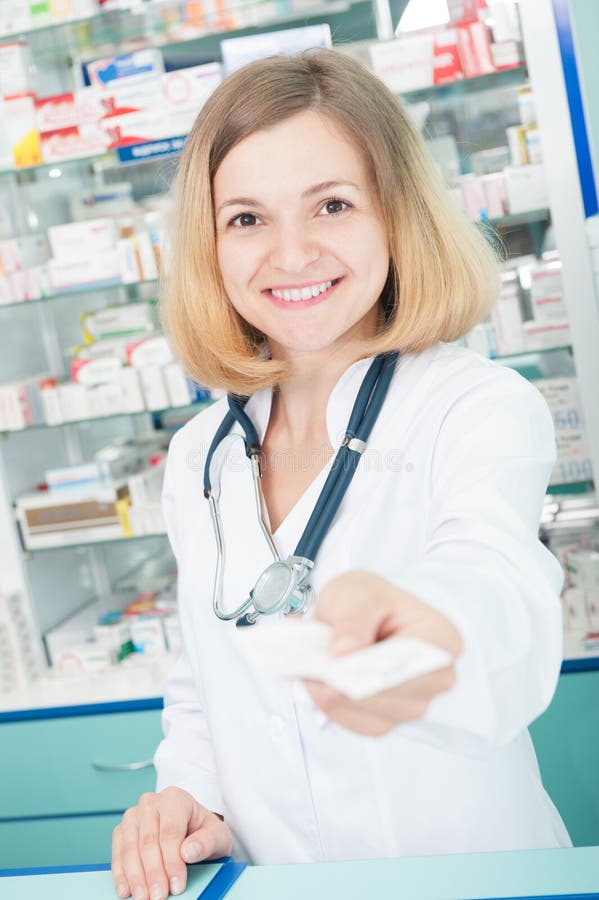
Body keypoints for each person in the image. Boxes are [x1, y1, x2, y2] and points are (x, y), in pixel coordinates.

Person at [111, 47, 571, 900]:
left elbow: (494, 579)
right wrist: (188, 793)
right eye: (246, 218)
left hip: (476, 882)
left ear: (395, 215)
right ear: (209, 243)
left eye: (331, 203)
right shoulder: (199, 458)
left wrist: (430, 633)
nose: (291, 253)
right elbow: (204, 681)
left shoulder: (473, 407)